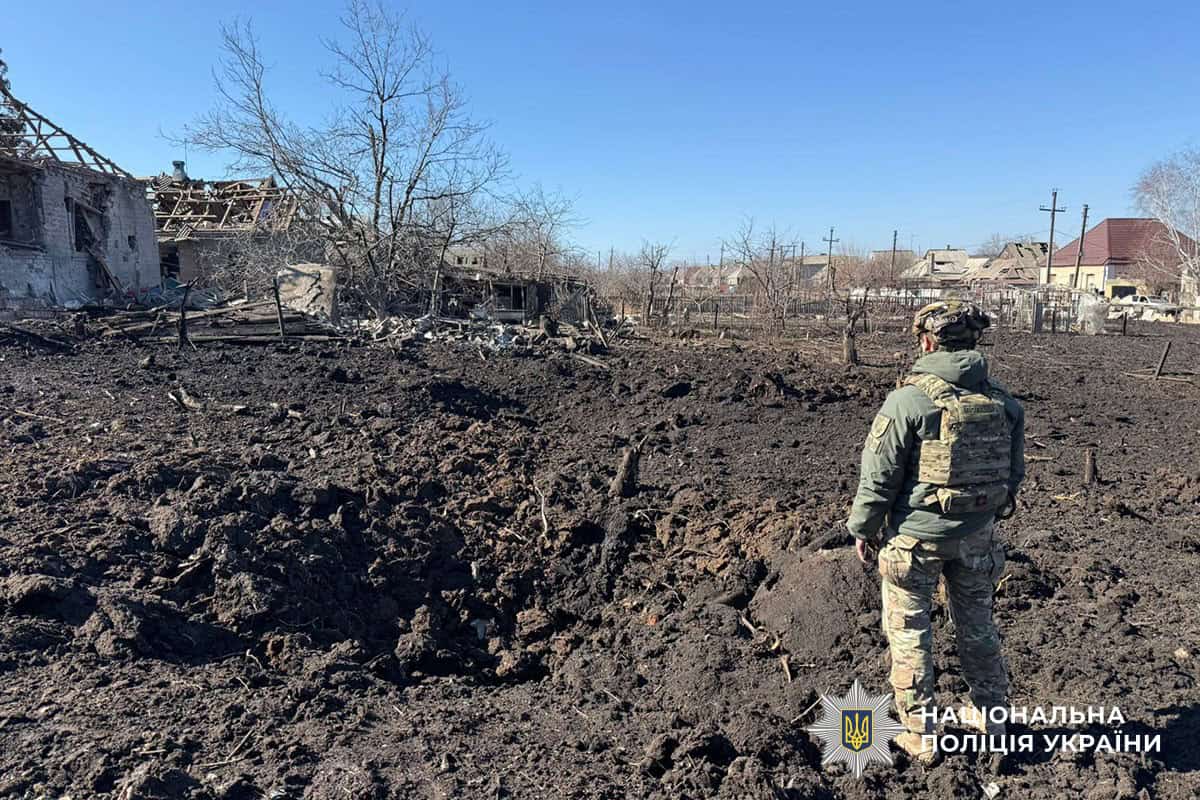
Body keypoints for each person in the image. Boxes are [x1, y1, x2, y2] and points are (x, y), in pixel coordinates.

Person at [846, 300, 1025, 764]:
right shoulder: (1003, 401)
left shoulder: (909, 399)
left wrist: (863, 528)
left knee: (909, 635)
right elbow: (1014, 475)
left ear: (927, 341)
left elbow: (880, 477)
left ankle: (921, 733)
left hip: (915, 541)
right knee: (978, 627)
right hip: (978, 539)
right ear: (974, 343)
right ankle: (993, 720)